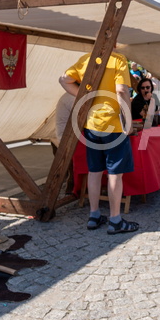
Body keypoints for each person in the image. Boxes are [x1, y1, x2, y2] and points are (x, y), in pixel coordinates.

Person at [59, 48, 139, 234]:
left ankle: (94, 215)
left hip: (92, 124)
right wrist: (127, 120)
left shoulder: (86, 59)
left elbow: (63, 79)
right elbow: (121, 90)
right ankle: (115, 220)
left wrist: (83, 96)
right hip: (113, 125)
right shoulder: (118, 59)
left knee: (94, 172)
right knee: (114, 174)